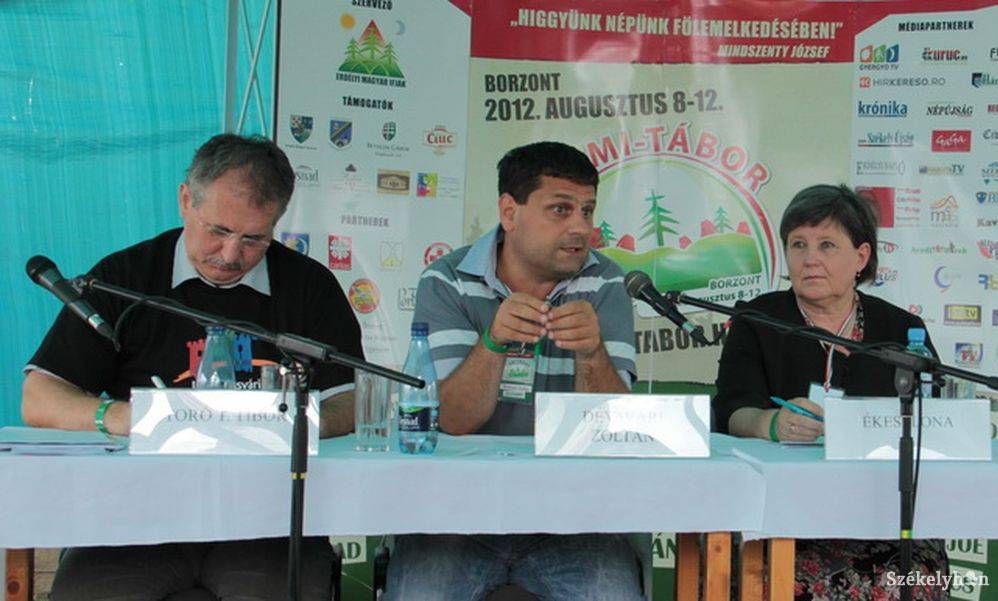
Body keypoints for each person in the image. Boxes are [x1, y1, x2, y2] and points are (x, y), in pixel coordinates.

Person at [22, 133, 363, 601]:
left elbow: (351, 400)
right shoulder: (123, 278)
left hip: (267, 521)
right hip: (136, 518)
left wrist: (286, 424)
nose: (231, 255)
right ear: (186, 200)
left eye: (254, 239)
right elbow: (39, 397)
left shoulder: (310, 288)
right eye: (218, 231)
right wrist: (120, 416)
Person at [383, 142, 643, 600]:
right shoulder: (447, 280)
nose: (580, 228)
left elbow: (612, 430)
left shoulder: (606, 282)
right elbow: (452, 420)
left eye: (587, 211)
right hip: (454, 514)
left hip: (572, 515)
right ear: (509, 212)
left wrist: (591, 354)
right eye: (560, 210)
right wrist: (493, 343)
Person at [713, 184, 947, 600]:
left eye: (826, 245)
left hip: (880, 511)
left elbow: (933, 420)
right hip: (779, 513)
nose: (810, 259)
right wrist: (771, 423)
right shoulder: (758, 318)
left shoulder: (900, 330)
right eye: (798, 244)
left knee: (912, 578)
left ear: (861, 256)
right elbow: (732, 410)